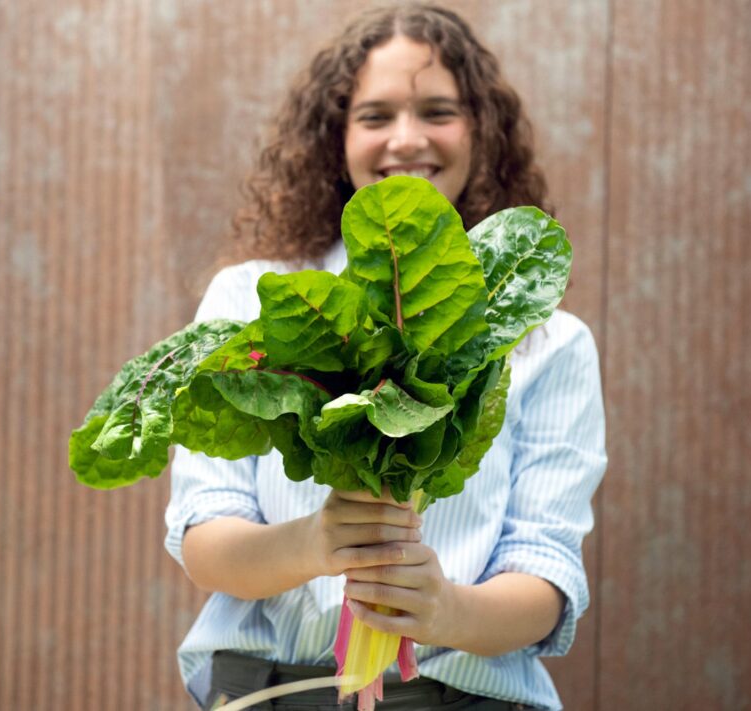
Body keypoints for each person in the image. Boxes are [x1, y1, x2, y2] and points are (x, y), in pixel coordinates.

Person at [163, 4, 607, 710]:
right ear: (335, 136)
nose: (406, 139)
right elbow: (203, 539)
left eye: (438, 112)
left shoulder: (550, 341)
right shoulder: (253, 297)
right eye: (375, 116)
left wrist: (443, 609)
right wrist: (318, 541)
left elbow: (546, 576)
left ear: (482, 130)